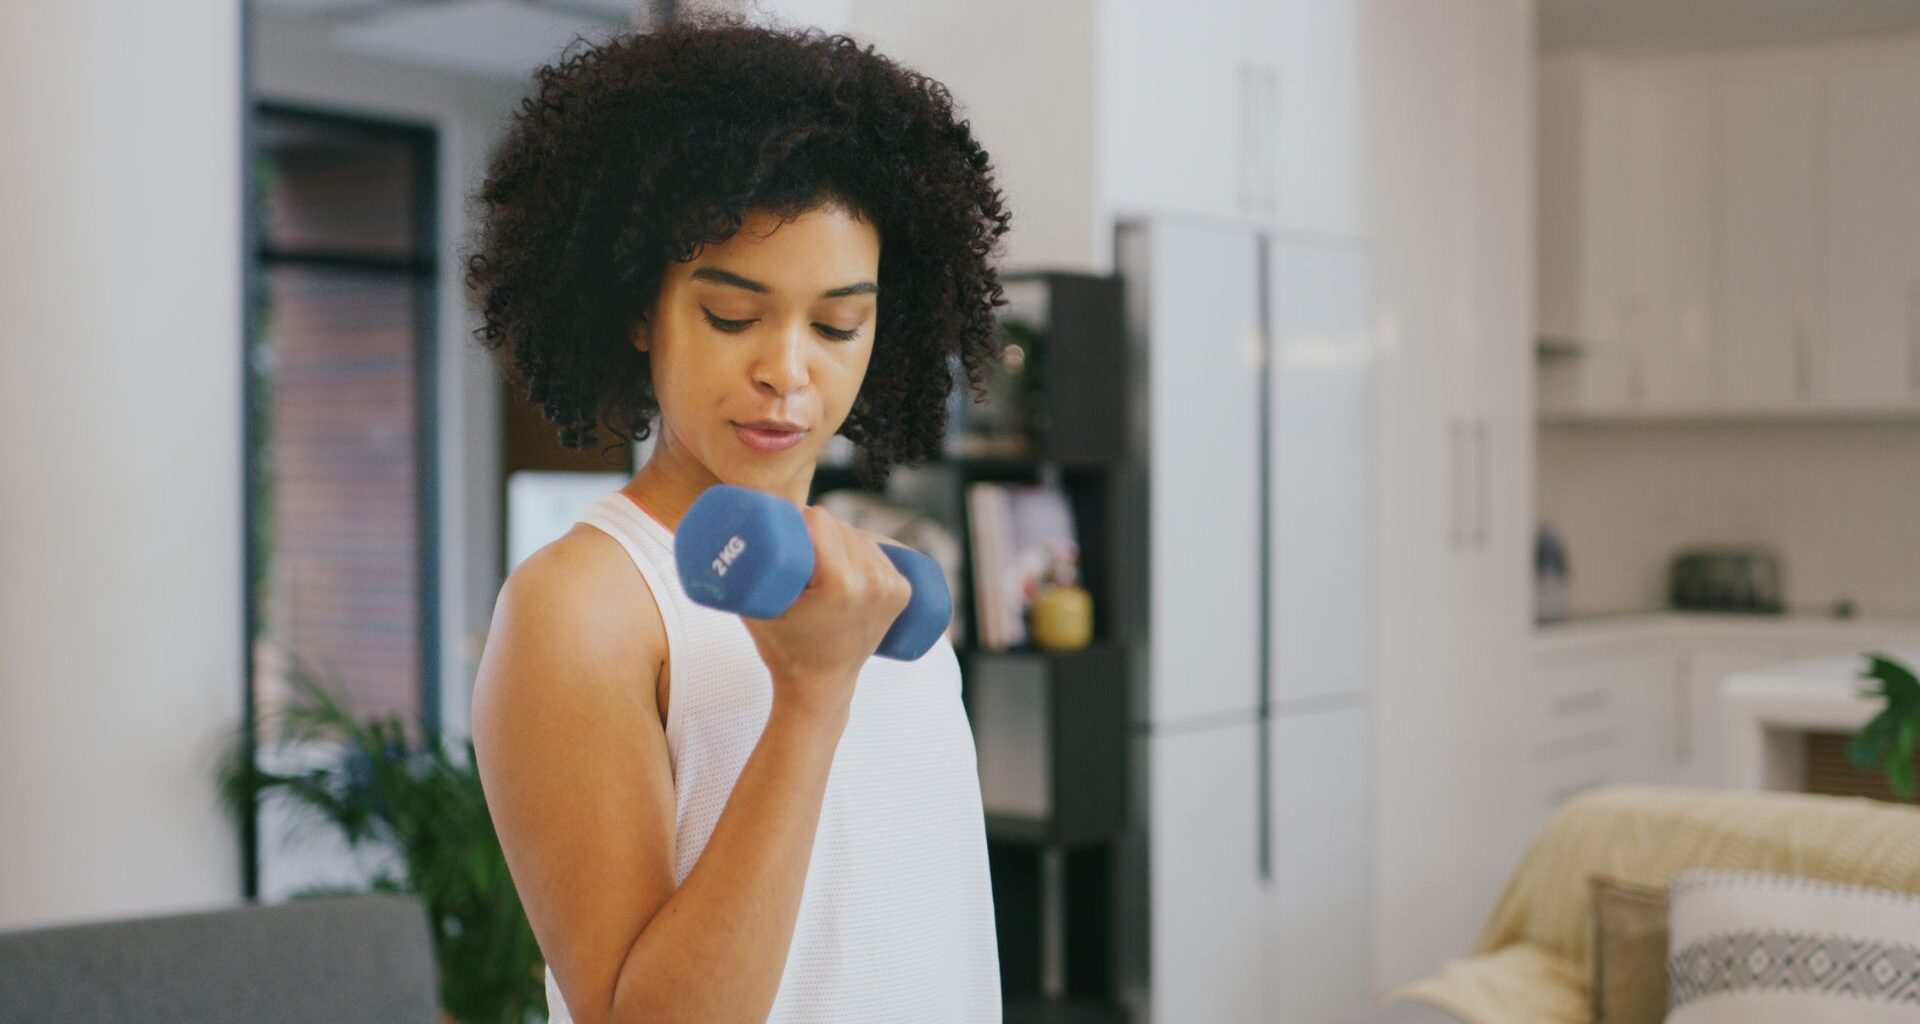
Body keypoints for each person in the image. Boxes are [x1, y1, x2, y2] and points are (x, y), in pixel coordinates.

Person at [463, 10, 1013, 1024]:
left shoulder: (875, 582)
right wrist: (808, 700)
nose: (789, 371)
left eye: (839, 321)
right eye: (732, 315)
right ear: (640, 307)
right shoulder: (581, 610)